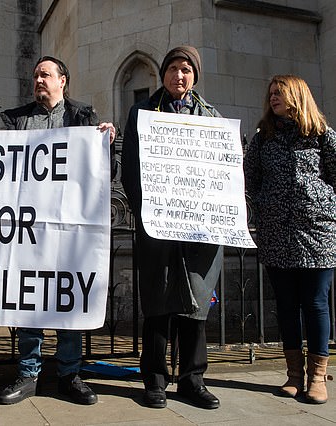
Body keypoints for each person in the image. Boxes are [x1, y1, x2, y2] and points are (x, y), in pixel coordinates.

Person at [0, 55, 115, 405]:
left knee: (66, 298)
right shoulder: (15, 121)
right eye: (35, 75)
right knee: (29, 298)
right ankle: (28, 373)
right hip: (26, 227)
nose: (39, 80)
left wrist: (106, 144)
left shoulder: (83, 117)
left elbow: (105, 173)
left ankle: (69, 374)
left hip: (68, 230)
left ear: (63, 80)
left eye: (46, 75)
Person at [121, 46, 222, 410]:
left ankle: (193, 379)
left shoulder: (211, 116)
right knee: (159, 302)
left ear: (194, 76)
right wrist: (148, 214)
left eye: (186, 70)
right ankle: (155, 379)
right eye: (173, 69)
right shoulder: (142, 113)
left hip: (200, 232)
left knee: (195, 305)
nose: (180, 76)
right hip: (158, 227)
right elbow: (130, 169)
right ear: (162, 74)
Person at [244, 75, 336, 404]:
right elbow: (250, 177)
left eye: (278, 93)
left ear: (297, 95)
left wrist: (321, 205)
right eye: (270, 93)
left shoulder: (322, 136)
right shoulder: (263, 139)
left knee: (315, 303)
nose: (272, 98)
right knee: (286, 305)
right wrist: (269, 203)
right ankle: (293, 374)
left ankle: (317, 376)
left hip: (316, 232)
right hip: (276, 233)